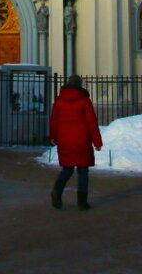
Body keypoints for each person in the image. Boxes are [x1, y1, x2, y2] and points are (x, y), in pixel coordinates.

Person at [48, 74, 103, 210]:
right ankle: (82, 203)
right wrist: (97, 142)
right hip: (81, 140)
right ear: (80, 85)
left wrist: (53, 136)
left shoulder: (59, 101)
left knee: (67, 169)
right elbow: (92, 123)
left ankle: (57, 191)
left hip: (65, 140)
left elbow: (54, 120)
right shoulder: (84, 101)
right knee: (83, 171)